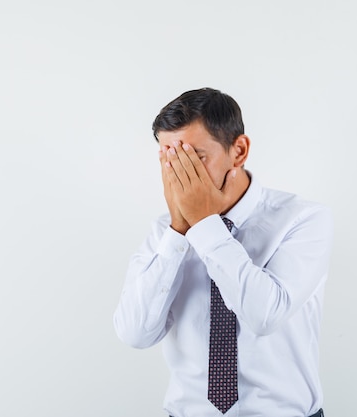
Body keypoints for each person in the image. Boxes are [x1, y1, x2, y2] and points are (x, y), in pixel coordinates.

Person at [113, 88, 333, 417]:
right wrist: (178, 232)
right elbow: (134, 333)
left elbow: (265, 315)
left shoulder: (302, 219)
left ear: (239, 150)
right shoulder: (164, 232)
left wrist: (205, 225)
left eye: (194, 158)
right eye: (169, 158)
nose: (179, 173)